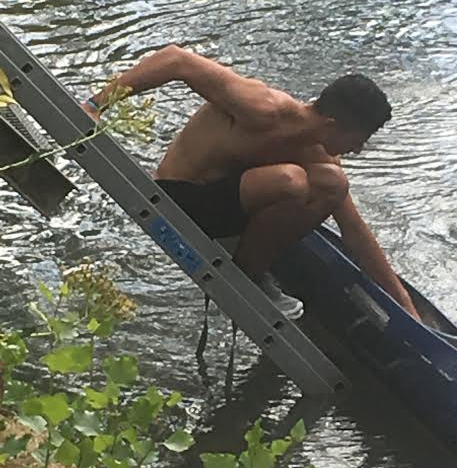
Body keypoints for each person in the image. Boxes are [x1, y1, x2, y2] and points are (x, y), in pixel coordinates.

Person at [82, 45, 420, 321]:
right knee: (291, 181)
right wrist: (96, 104)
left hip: (227, 213)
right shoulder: (263, 107)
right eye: (359, 139)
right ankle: (253, 268)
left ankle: (251, 271)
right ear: (332, 124)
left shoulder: (320, 156)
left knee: (333, 182)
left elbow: (354, 230)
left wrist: (405, 305)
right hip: (178, 196)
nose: (358, 149)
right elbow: (176, 60)